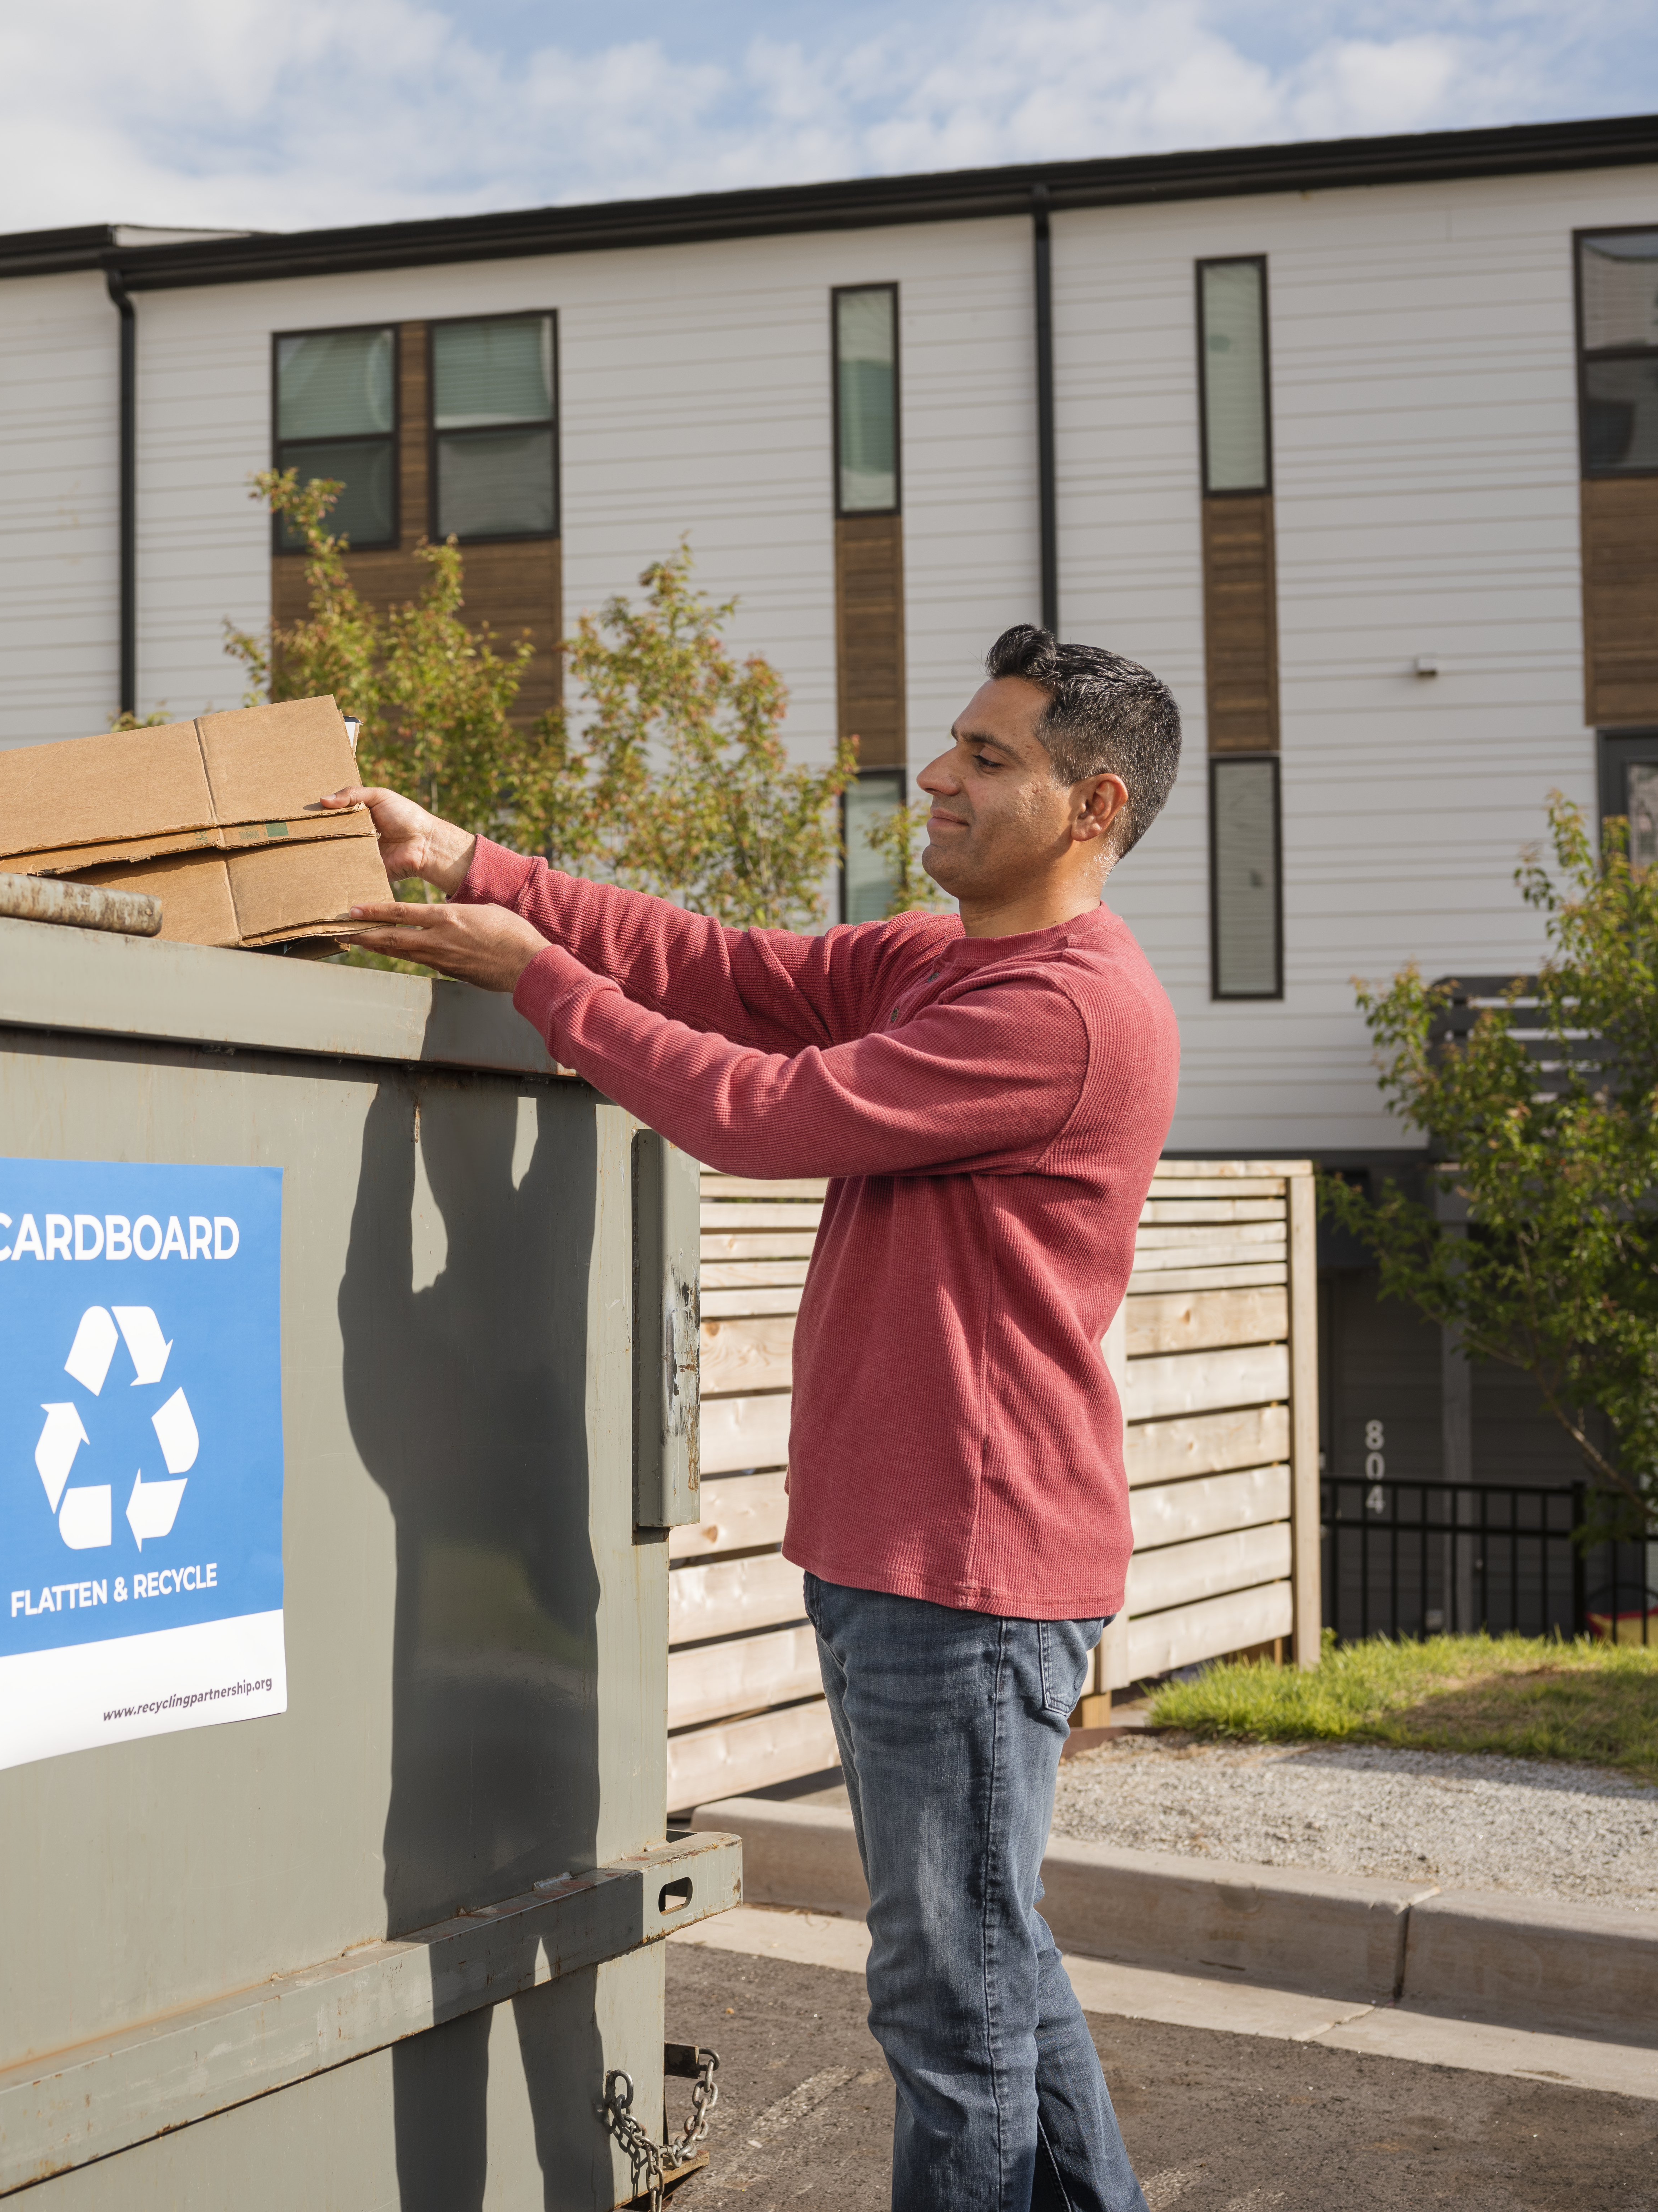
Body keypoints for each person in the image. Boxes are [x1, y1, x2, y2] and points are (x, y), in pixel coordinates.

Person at [327, 623, 1182, 2212]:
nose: (938, 775)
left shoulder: (1065, 1014)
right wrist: (478, 863)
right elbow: (730, 973)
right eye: (955, 742)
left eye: (988, 759)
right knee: (993, 1962)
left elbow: (764, 1112)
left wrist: (540, 983)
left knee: (951, 2005)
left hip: (971, 1574)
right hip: (904, 1557)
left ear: (1094, 805)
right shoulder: (947, 962)